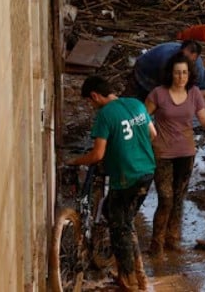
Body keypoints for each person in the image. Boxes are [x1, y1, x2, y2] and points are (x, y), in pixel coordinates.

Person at [66, 76, 156, 291]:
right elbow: (153, 134)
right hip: (147, 171)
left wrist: (75, 161)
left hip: (127, 177)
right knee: (120, 217)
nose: (91, 106)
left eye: (90, 101)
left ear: (95, 96)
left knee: (119, 226)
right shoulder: (136, 104)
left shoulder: (105, 115)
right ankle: (140, 274)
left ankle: (128, 279)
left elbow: (97, 154)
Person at [144, 52, 205, 255]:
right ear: (170, 74)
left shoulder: (195, 93)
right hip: (162, 153)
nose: (181, 77)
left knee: (179, 198)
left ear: (190, 75)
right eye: (177, 73)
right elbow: (142, 119)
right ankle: (157, 244)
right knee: (166, 198)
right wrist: (152, 138)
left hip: (186, 153)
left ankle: (172, 240)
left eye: (184, 73)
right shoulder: (158, 94)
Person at [132, 40, 205, 101]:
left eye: (190, 61)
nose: (186, 62)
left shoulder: (197, 66)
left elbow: (202, 90)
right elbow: (172, 93)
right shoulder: (166, 59)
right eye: (184, 58)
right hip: (146, 72)